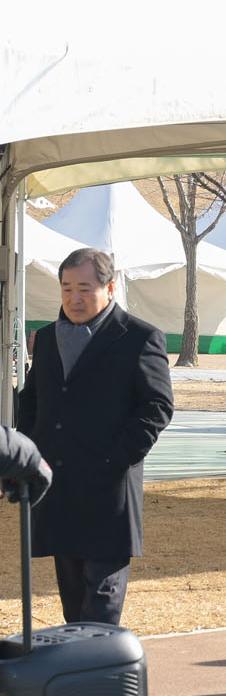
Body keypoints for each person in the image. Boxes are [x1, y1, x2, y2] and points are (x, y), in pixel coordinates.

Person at [15, 248, 174, 626]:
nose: (74, 298)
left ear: (110, 288)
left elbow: (157, 406)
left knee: (101, 606)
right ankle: (79, 664)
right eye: (66, 288)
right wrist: (29, 452)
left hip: (108, 493)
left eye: (84, 288)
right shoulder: (48, 338)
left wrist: (115, 456)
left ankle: (102, 663)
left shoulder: (139, 337)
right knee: (73, 606)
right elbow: (33, 399)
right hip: (58, 488)